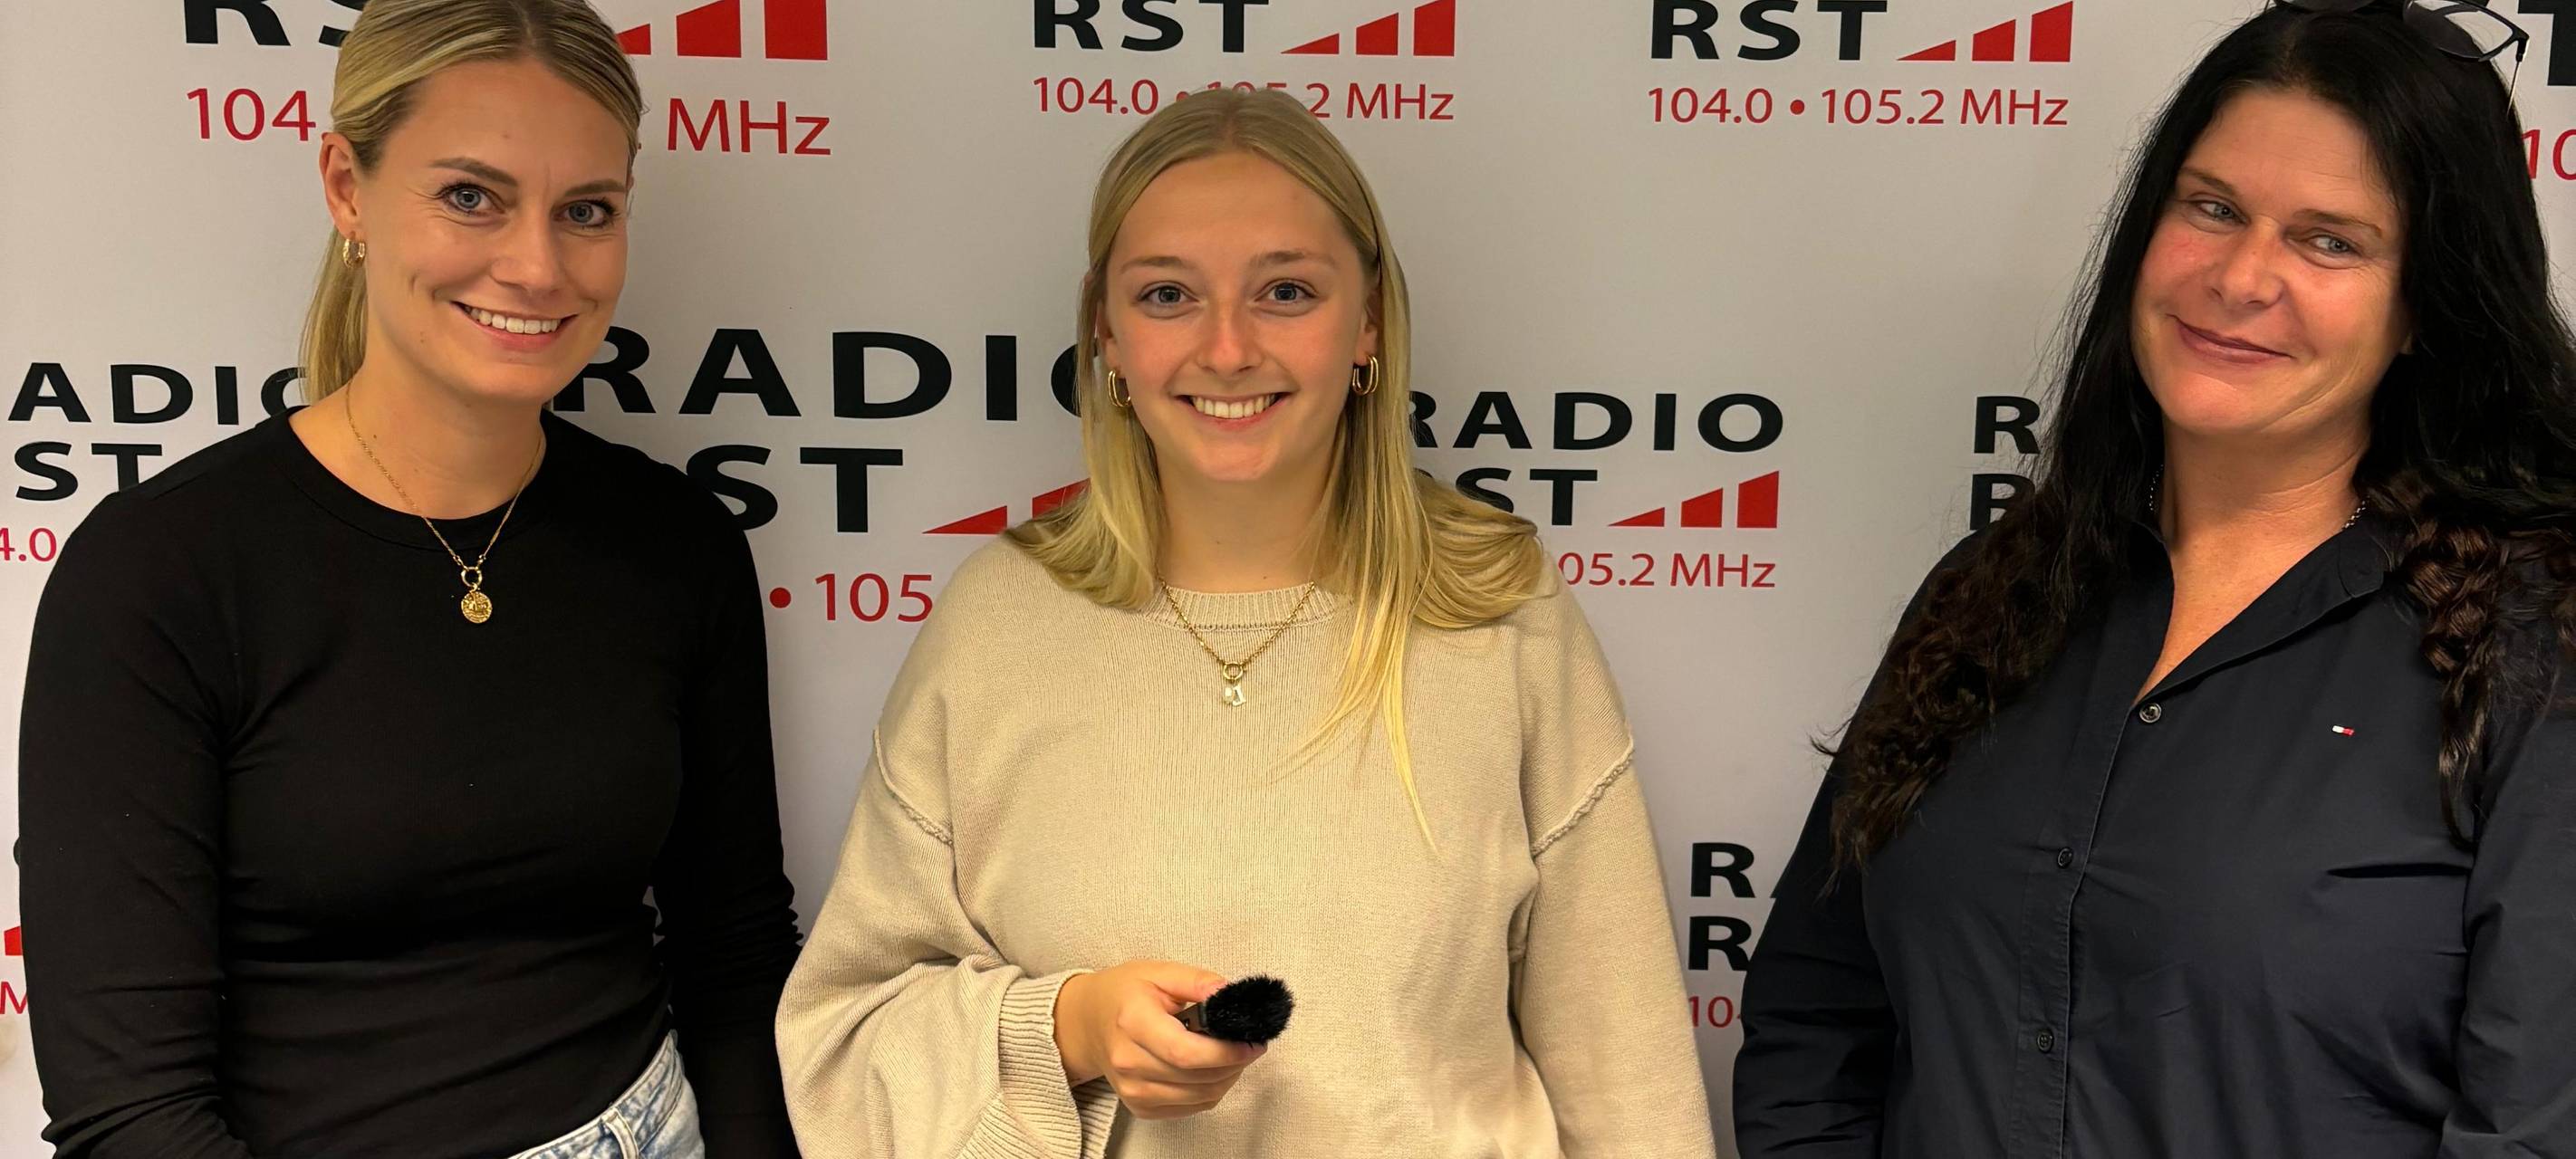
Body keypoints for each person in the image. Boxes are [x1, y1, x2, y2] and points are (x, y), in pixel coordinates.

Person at [774, 88, 1717, 1158]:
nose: (1227, 349)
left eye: (1286, 291)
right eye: (1168, 294)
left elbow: (1625, 1065)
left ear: (1369, 320)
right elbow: (847, 1030)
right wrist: (1069, 1026)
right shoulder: (997, 621)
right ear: (1105, 329)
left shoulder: (1502, 613)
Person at [1734, 2, 2575, 1155]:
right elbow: (1816, 1021)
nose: (2241, 277)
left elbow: (2539, 1124)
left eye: (2331, 241)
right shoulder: (1993, 588)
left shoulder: (2533, 642)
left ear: (2427, 305)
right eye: (2212, 207)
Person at [16, 2, 803, 1155]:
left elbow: (733, 957)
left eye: (587, 210)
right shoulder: (160, 568)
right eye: (472, 196)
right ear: (347, 188)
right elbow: (128, 1109)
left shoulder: (676, 540)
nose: (536, 266)